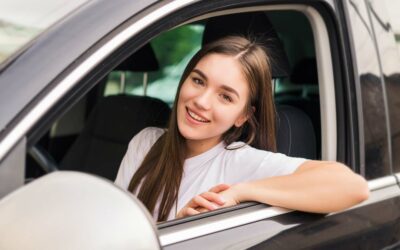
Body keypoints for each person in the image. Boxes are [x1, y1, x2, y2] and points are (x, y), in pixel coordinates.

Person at [115, 36, 369, 222]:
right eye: (198, 80)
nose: (201, 101)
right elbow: (115, 225)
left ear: (243, 116)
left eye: (225, 97)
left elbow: (352, 187)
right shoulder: (146, 142)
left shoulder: (240, 162)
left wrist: (239, 193)